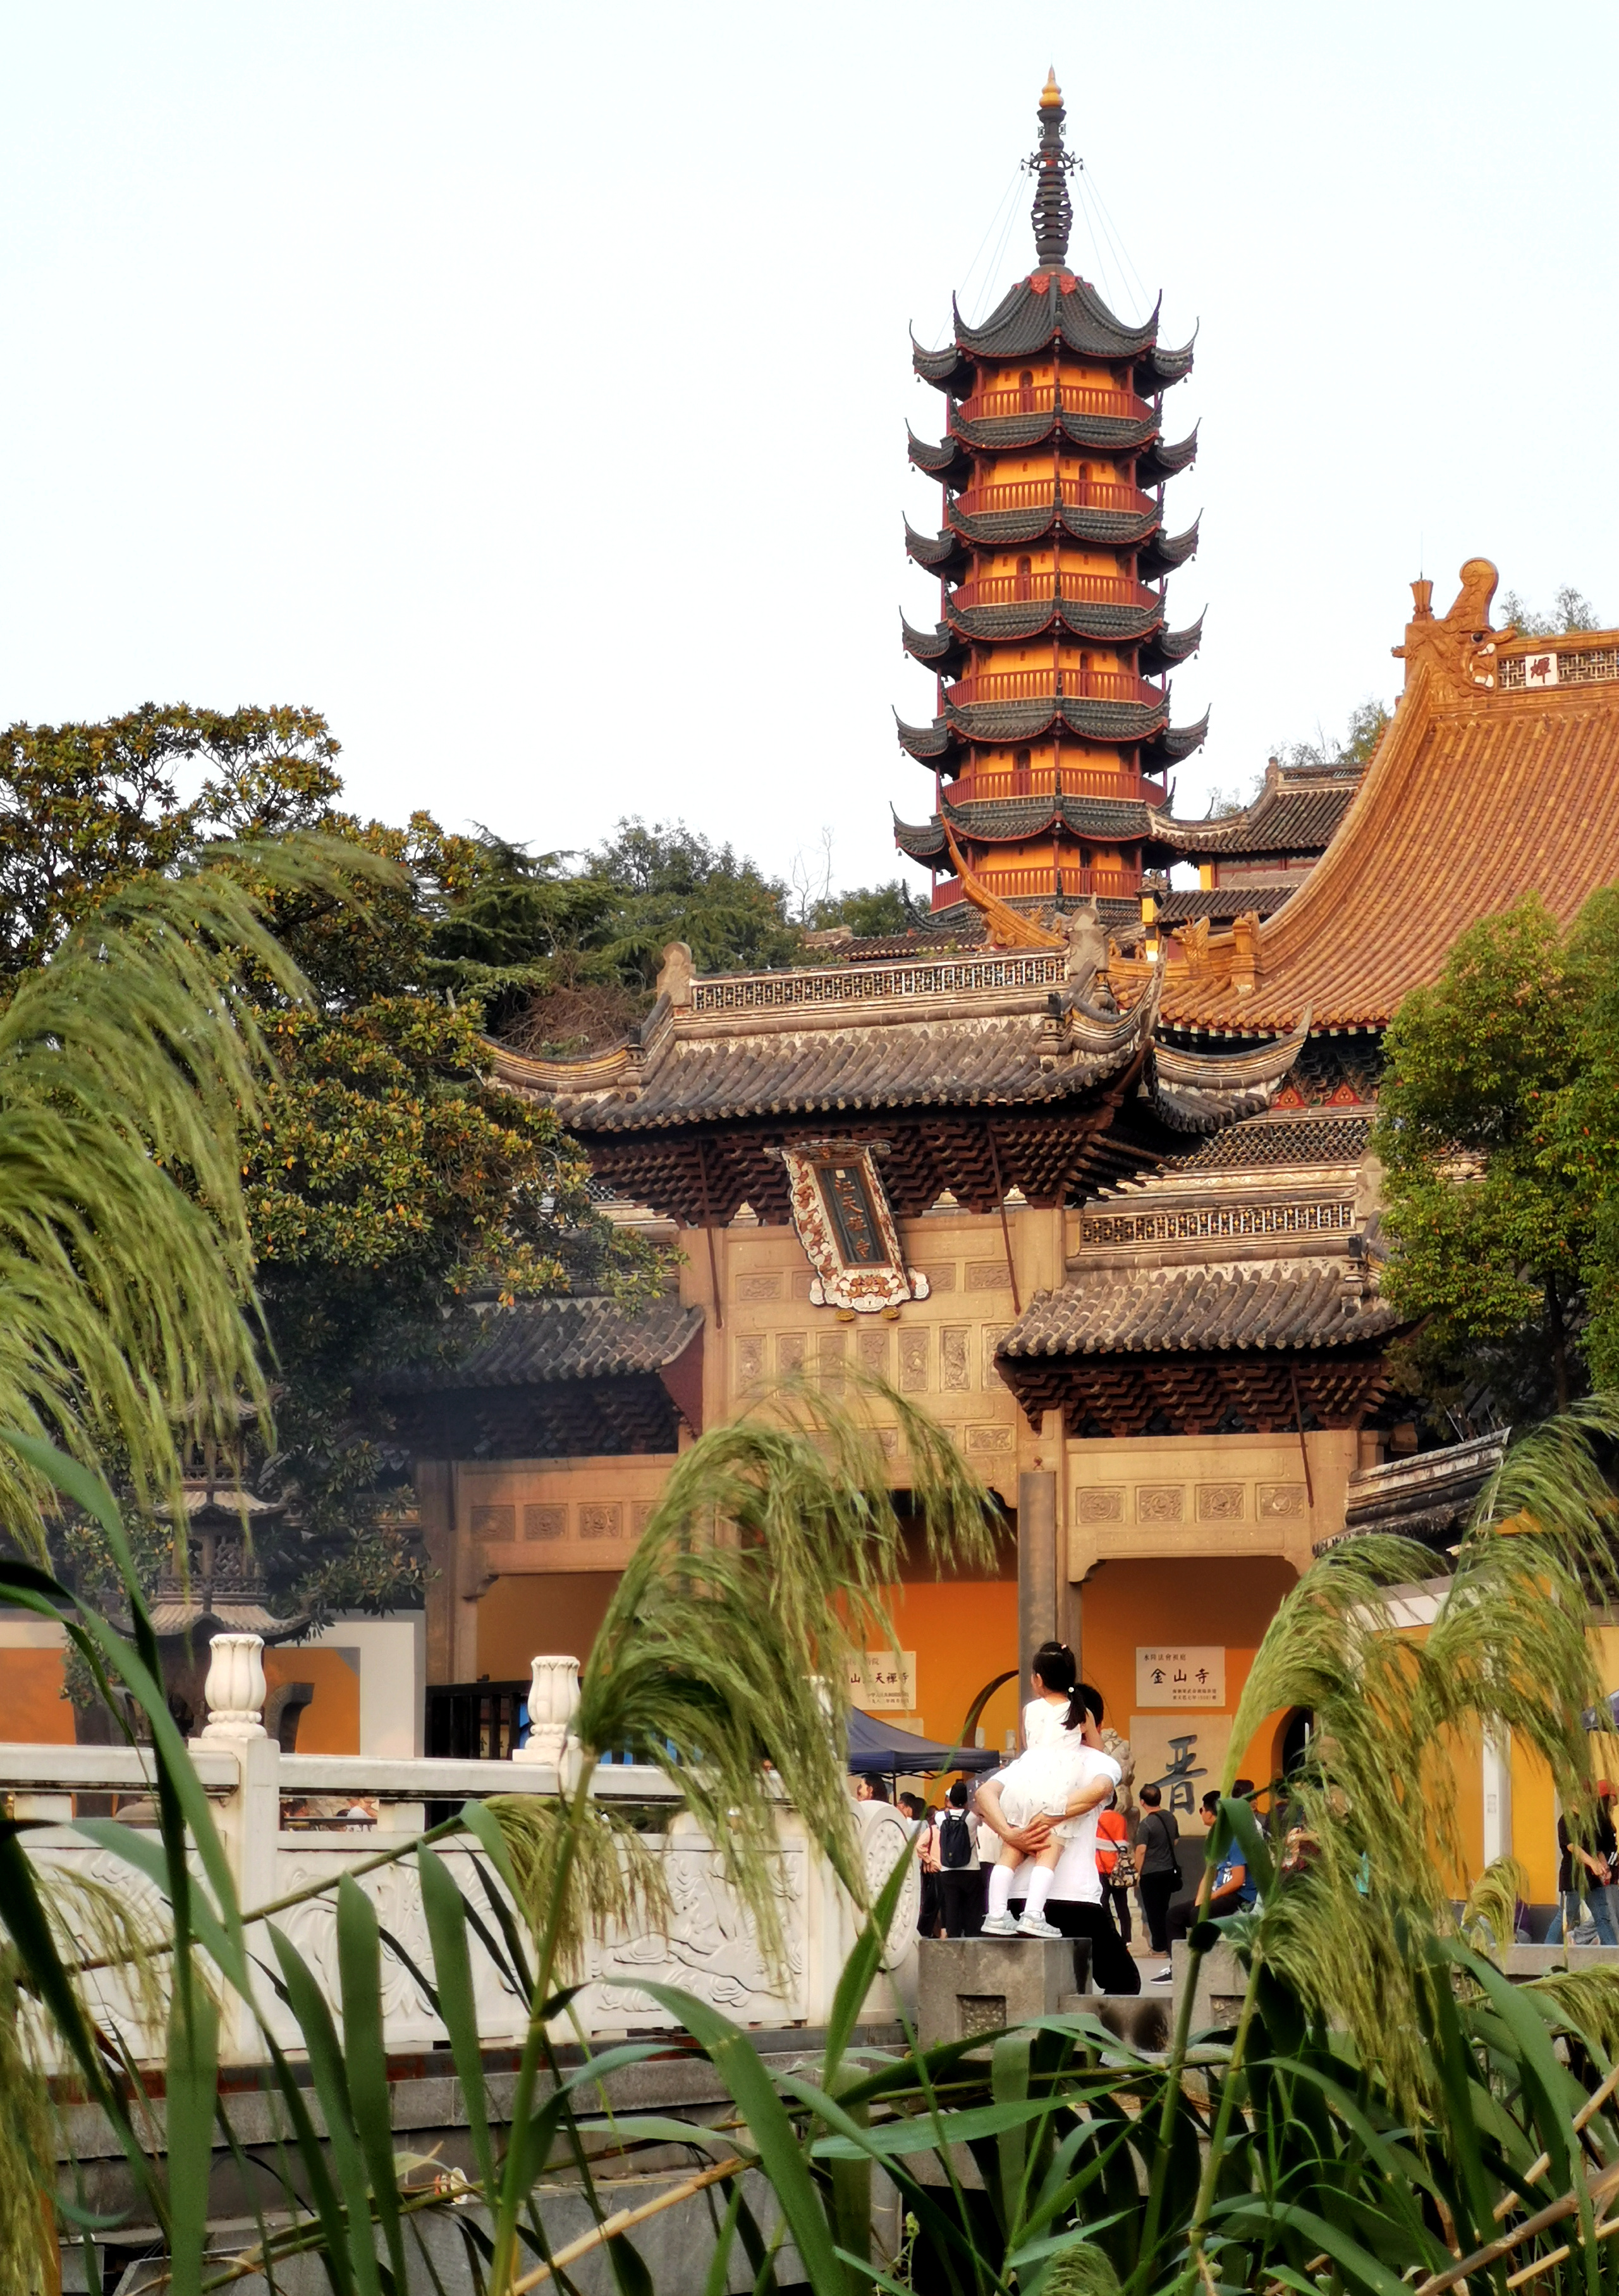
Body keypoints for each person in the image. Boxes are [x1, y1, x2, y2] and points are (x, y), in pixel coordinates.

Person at [973, 1658, 1140, 1994]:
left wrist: (1010, 1832)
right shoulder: (1099, 1762)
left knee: (1031, 1991)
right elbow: (1100, 1791)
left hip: (1016, 1902)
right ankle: (1090, 2044)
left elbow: (984, 1794)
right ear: (1088, 1719)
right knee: (1123, 1983)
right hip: (1076, 1899)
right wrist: (1055, 1814)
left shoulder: (1028, 1762)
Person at [980, 1642, 1117, 1939]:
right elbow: (1097, 1748)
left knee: (1011, 1850)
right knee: (1049, 1851)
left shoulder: (1029, 1709)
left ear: (1037, 1680)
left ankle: (995, 1914)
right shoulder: (1079, 1711)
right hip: (1057, 1786)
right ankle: (1033, 1915)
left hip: (1023, 1780)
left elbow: (1030, 1745)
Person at [1158, 1790, 1255, 1976]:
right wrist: (1201, 1900)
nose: (1201, 1813)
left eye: (1201, 1809)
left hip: (1240, 1895)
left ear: (1210, 1812)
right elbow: (1209, 1874)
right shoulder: (1215, 1838)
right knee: (1174, 1915)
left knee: (1198, 1915)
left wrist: (1213, 1897)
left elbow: (1238, 1880)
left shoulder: (1233, 1838)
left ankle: (1203, 1967)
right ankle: (1180, 1967)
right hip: (1220, 1892)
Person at [1553, 1783, 1619, 1944]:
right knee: (1565, 1917)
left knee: (1603, 1919)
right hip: (1573, 1879)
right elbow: (1574, 1848)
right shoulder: (1566, 1820)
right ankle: (1546, 1951)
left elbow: (1598, 1848)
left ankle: (1613, 1957)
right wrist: (1593, 1864)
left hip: (1593, 1881)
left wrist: (1603, 1866)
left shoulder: (1589, 1822)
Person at [1133, 1783, 1180, 1956]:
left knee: (1153, 1911)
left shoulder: (1146, 1824)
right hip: (1168, 1870)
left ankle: (1159, 1946)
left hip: (1151, 1873)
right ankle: (1168, 1944)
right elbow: (1175, 1841)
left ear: (1142, 1801)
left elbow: (1141, 1850)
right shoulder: (1170, 1817)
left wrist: (1137, 1873)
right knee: (1164, 1908)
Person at [936, 1779, 985, 1936]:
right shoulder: (973, 1818)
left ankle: (953, 1939)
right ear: (966, 1800)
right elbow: (982, 1818)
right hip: (971, 1869)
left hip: (948, 1870)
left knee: (952, 1907)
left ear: (950, 1800)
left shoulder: (939, 1817)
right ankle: (972, 1936)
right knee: (973, 1907)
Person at [1096, 1789, 1132, 1946]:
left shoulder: (1097, 1820)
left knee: (1103, 1902)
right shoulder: (1121, 1819)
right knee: (1122, 1904)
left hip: (1100, 1866)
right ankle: (1127, 1938)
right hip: (1119, 1868)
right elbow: (1123, 1843)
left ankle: (1112, 1932)